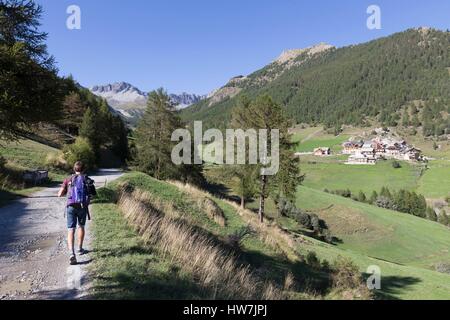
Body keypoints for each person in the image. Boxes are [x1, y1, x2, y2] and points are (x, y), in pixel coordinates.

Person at [58, 161, 96, 265]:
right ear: (84, 169)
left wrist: (66, 191)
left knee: (71, 230)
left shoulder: (68, 179)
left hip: (70, 206)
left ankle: (71, 254)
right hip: (82, 207)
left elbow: (59, 194)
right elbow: (93, 195)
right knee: (81, 227)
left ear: (74, 169)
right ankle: (79, 249)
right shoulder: (87, 179)